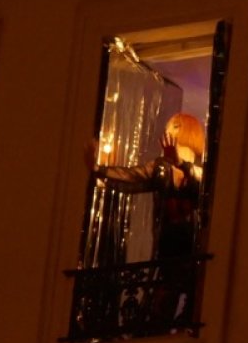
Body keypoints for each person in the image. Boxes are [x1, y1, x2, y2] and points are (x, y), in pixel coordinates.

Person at [87, 112, 207, 330]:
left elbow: (201, 186)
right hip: (168, 246)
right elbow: (133, 176)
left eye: (176, 126)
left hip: (195, 247)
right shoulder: (160, 167)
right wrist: (99, 170)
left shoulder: (202, 170)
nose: (169, 130)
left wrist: (181, 164)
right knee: (161, 304)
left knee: (194, 303)